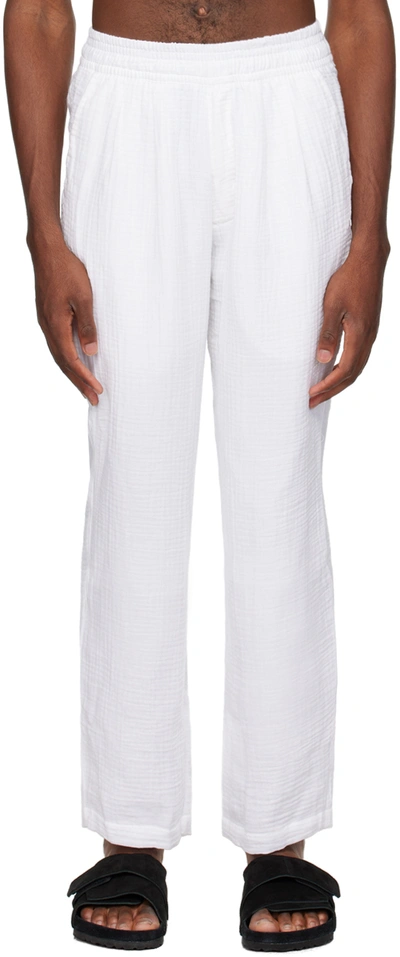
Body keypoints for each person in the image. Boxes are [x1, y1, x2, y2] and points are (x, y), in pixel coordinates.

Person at [4, 0, 395, 951]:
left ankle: (281, 834)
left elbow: (358, 15)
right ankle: (130, 830)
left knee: (280, 493)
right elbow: (39, 11)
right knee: (132, 490)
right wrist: (44, 232)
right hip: (130, 102)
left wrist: (370, 234)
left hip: (285, 95)